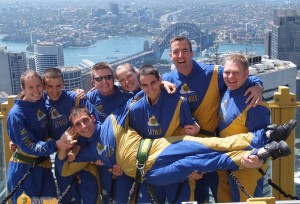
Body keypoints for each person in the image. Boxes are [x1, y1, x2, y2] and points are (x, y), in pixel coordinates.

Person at [56, 106, 293, 204]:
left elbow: (140, 95)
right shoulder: (86, 151)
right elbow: (65, 168)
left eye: (85, 120)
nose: (84, 125)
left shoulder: (111, 120)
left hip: (158, 148)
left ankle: (266, 136)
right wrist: (65, 147)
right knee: (196, 163)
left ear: (92, 118)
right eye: (77, 124)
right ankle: (260, 154)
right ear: (75, 129)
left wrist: (165, 87)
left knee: (209, 145)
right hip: (150, 174)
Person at [162, 36, 264, 202]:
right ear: (171, 56)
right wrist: (161, 83)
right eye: (176, 52)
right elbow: (146, 84)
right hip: (187, 149)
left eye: (185, 51)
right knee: (195, 196)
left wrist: (258, 86)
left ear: (192, 53)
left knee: (223, 195)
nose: (180, 55)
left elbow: (241, 76)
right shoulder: (168, 79)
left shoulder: (212, 73)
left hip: (215, 147)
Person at [216, 53, 297, 202]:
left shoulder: (253, 101)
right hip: (228, 161)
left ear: (246, 73)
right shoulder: (229, 90)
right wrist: (258, 84)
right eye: (227, 72)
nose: (230, 76)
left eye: (235, 73)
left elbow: (263, 137)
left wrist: (258, 158)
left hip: (247, 167)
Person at [128, 65, 200, 203]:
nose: (150, 88)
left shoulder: (179, 102)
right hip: (151, 171)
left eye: (153, 82)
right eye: (144, 85)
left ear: (160, 79)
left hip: (177, 166)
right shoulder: (135, 110)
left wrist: (194, 164)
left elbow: (190, 136)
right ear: (140, 86)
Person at [6, 70, 73, 203]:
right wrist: (55, 144)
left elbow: (60, 96)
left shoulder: (42, 101)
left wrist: (80, 92)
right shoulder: (16, 114)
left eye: (38, 86)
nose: (36, 90)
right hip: (24, 170)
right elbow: (28, 145)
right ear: (23, 88)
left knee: (51, 202)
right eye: (30, 87)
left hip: (44, 166)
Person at [43, 67, 101, 204]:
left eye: (58, 86)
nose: (55, 90)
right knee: (67, 198)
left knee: (91, 198)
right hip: (63, 157)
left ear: (63, 84)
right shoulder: (43, 105)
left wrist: (96, 152)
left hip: (86, 157)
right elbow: (39, 130)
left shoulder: (76, 99)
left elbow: (96, 124)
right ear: (44, 86)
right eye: (50, 86)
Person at [87, 62, 133, 203]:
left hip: (121, 160)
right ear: (93, 82)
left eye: (107, 77)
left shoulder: (126, 97)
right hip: (101, 160)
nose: (104, 81)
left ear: (114, 78)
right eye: (99, 79)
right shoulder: (89, 99)